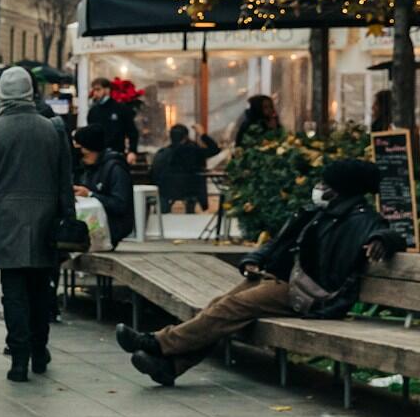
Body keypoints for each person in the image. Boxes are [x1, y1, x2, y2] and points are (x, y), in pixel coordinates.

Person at [117, 159, 399, 385]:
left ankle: (158, 343)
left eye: (325, 183)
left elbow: (391, 234)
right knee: (219, 307)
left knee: (230, 308)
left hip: (307, 292)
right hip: (282, 280)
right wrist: (253, 259)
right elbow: (278, 243)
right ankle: (171, 365)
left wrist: (383, 240)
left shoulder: (362, 219)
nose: (319, 187)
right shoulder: (317, 213)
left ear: (340, 188)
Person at [0, 67, 75, 383]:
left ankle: (19, 357)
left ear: (2, 94)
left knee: (12, 291)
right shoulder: (52, 130)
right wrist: (67, 218)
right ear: (31, 93)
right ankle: (40, 349)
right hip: (45, 220)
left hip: (6, 220)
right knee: (42, 289)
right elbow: (64, 180)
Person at [73, 124, 133, 247]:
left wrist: (90, 194)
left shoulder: (114, 169)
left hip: (111, 226)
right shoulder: (87, 169)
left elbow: (120, 204)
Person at [151, 124, 218, 213]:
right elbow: (215, 149)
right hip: (190, 191)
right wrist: (202, 134)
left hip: (166, 191)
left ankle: (164, 214)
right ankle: (190, 212)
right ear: (186, 137)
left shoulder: (163, 154)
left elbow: (155, 173)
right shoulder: (194, 151)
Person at [85, 77, 140, 159]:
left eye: (98, 90)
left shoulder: (120, 109)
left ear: (107, 90)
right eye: (94, 90)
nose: (95, 93)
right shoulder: (93, 111)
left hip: (116, 154)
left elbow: (132, 131)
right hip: (98, 155)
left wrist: (132, 151)